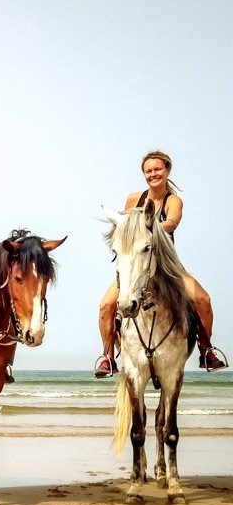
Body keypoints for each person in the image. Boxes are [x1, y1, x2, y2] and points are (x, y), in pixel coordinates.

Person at [94, 150, 227, 377]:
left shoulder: (172, 200)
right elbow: (125, 228)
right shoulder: (134, 199)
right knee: (106, 305)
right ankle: (108, 356)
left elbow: (172, 222)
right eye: (148, 171)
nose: (153, 174)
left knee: (203, 300)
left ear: (167, 170)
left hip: (167, 265)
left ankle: (206, 351)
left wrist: (150, 229)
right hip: (137, 263)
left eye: (157, 169)